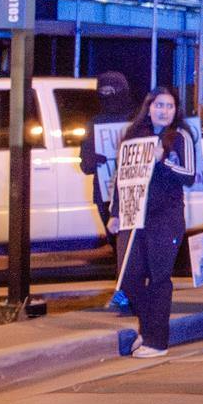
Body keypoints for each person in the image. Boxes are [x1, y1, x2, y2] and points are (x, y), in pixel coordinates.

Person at [116, 87, 197, 357]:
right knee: (128, 276)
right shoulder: (134, 135)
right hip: (134, 215)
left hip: (166, 217)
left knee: (159, 277)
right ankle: (147, 328)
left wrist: (163, 161)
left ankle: (157, 340)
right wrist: (115, 213)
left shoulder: (181, 136)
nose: (164, 110)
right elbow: (122, 178)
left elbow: (189, 174)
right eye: (159, 105)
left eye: (170, 106)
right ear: (148, 106)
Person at [79, 70, 136, 309]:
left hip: (132, 191)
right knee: (115, 243)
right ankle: (126, 287)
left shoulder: (136, 119)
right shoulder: (94, 122)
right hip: (104, 193)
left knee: (129, 242)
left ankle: (126, 289)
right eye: (102, 92)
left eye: (111, 92)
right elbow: (85, 165)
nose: (106, 97)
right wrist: (93, 158)